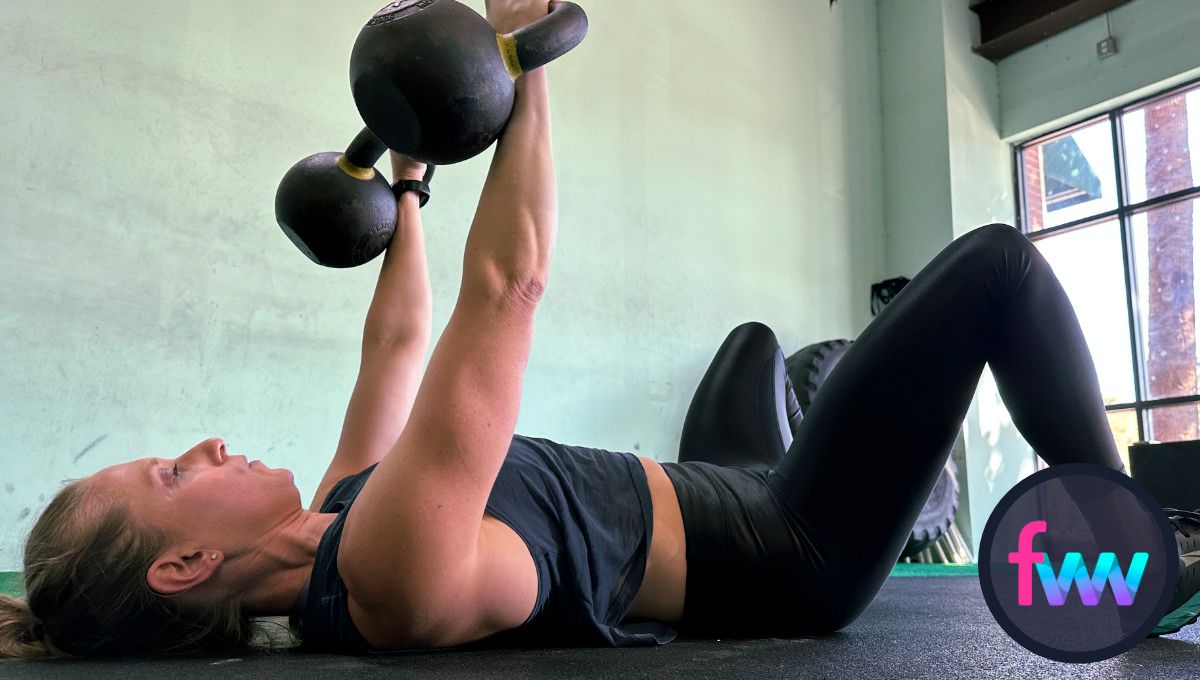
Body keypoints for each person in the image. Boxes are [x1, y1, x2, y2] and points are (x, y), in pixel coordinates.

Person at [4, 0, 1200, 659]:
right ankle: (1137, 556)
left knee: (763, 348)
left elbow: (396, 346)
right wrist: (524, 64)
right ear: (182, 565)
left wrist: (410, 182)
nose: (207, 444)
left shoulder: (343, 510)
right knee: (997, 269)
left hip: (721, 482)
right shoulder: (390, 569)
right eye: (174, 473)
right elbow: (508, 288)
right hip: (793, 545)